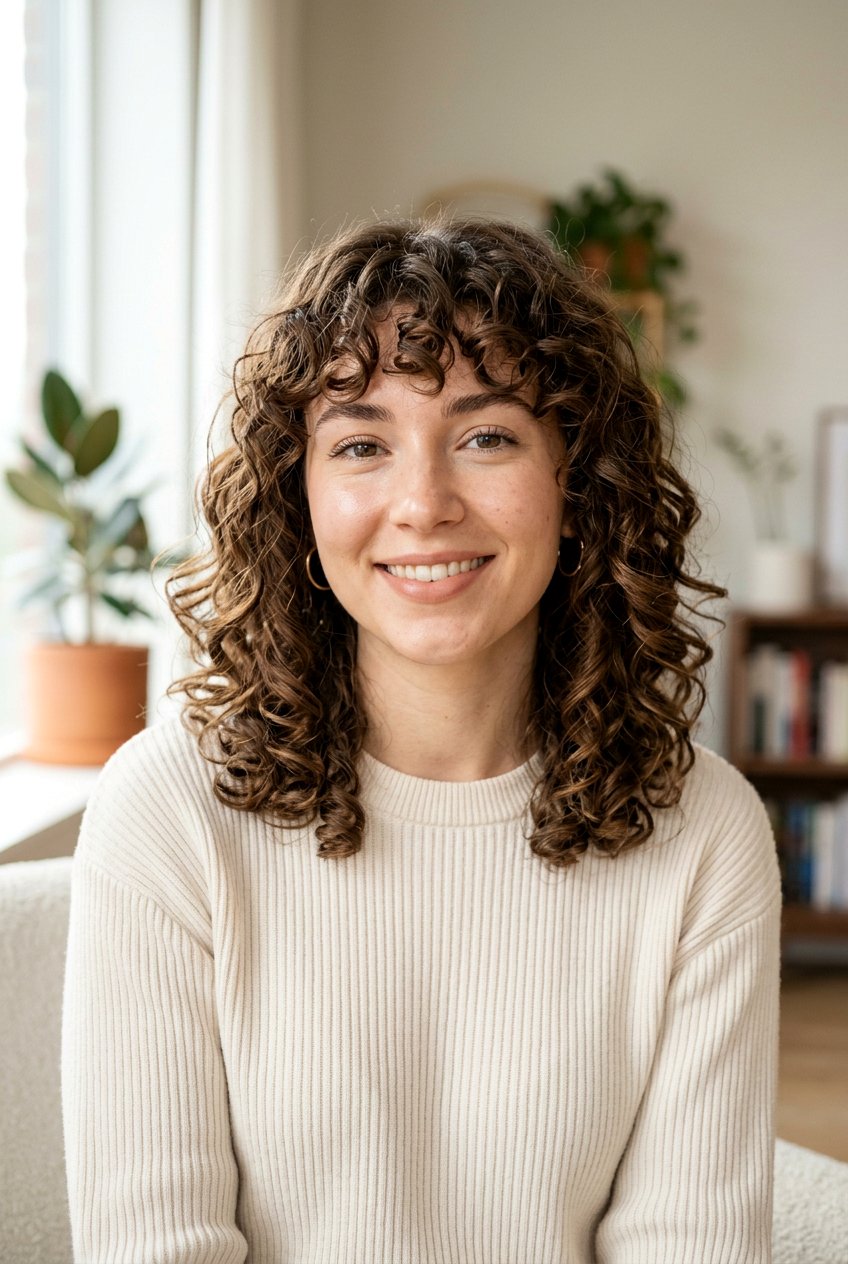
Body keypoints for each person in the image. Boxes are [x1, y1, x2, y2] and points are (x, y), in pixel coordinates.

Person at [61, 216, 782, 1263]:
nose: (422, 504)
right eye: (360, 444)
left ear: (576, 481)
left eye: (485, 436)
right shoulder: (168, 807)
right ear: (294, 496)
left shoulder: (703, 831)